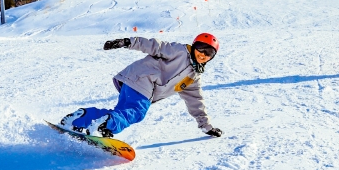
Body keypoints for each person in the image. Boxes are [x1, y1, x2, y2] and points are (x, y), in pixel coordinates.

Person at [61, 33, 223, 138]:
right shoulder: (180, 51)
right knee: (137, 112)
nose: (203, 54)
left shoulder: (193, 78)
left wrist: (206, 126)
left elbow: (196, 102)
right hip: (143, 78)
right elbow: (154, 45)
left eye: (209, 53)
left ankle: (80, 118)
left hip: (134, 82)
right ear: (194, 46)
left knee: (124, 112)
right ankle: (105, 124)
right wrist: (127, 42)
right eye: (201, 48)